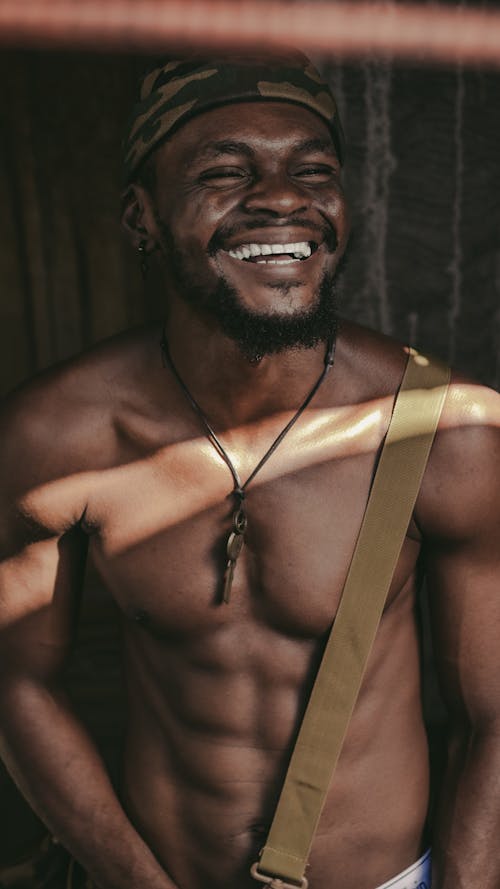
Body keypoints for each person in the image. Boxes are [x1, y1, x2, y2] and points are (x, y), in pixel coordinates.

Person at [0, 48, 499, 889]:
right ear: (141, 217)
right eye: (225, 173)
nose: (281, 197)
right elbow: (19, 681)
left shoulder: (448, 430)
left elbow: (494, 718)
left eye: (314, 170)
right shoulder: (60, 437)